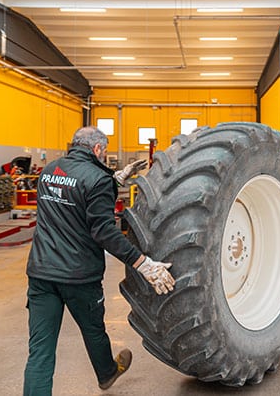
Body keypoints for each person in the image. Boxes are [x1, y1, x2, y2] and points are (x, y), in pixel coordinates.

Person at [23, 126, 175, 395]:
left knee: (40, 351)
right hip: (79, 276)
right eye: (103, 152)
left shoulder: (48, 171)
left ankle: (103, 373)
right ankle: (106, 373)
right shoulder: (97, 179)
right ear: (97, 149)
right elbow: (104, 231)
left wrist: (114, 179)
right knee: (93, 330)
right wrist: (143, 264)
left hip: (41, 272)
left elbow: (71, 194)